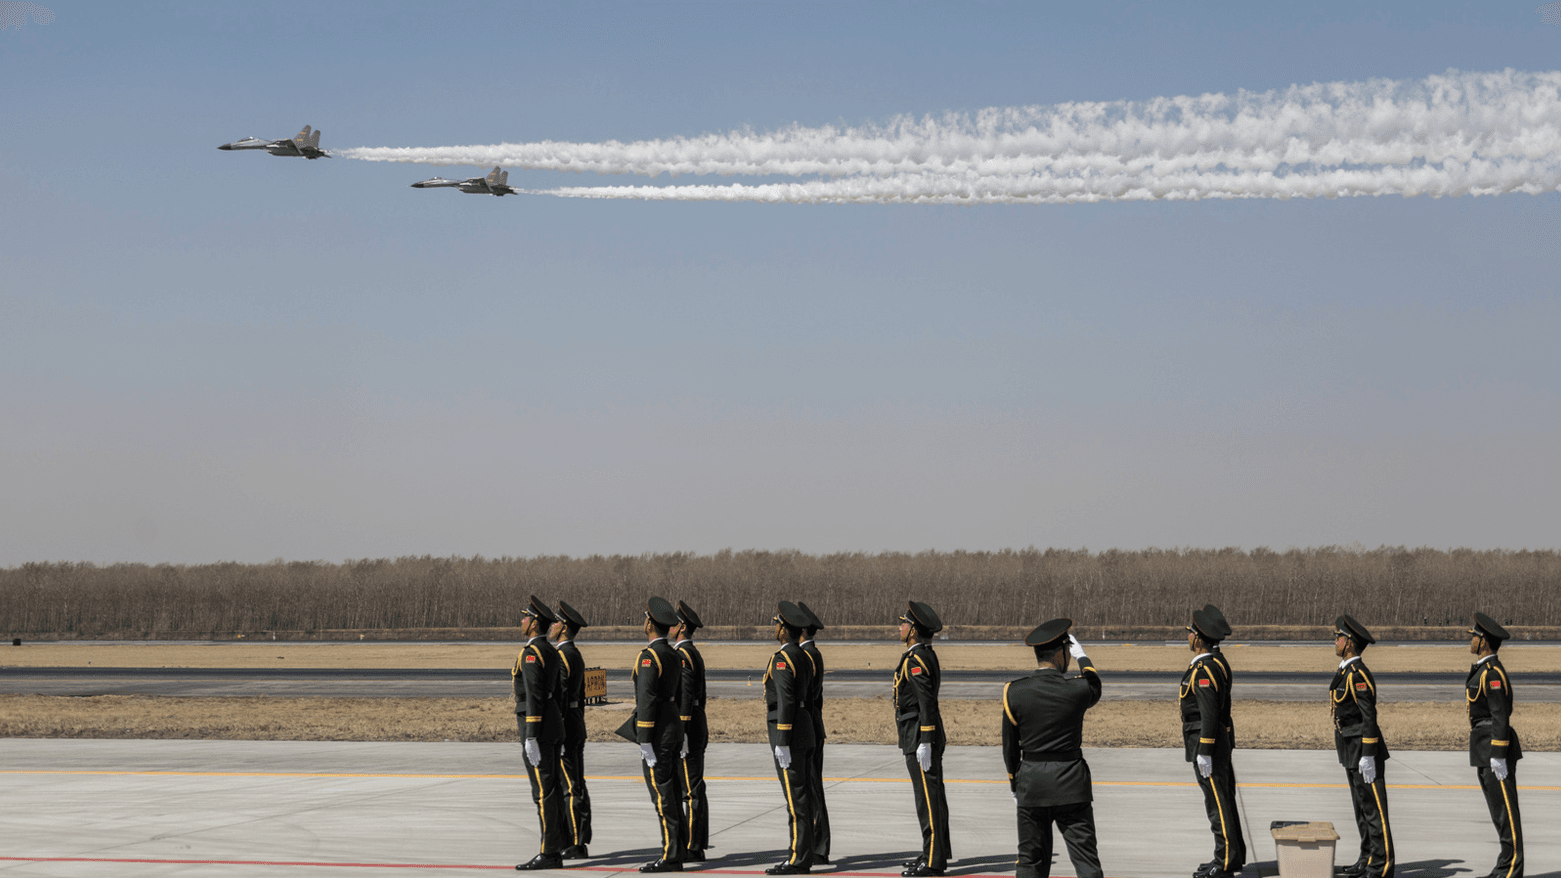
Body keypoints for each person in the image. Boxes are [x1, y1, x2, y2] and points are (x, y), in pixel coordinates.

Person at [1001, 618, 1104, 878]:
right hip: (1071, 785)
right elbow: (1095, 685)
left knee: (1030, 862)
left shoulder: (1014, 692)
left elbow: (1010, 747)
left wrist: (1015, 782)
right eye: (1068, 653)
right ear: (1061, 654)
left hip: (1032, 784)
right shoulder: (1078, 689)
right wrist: (1083, 657)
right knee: (1086, 861)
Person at [1181, 607, 1244, 878]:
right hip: (1218, 742)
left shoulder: (1205, 668)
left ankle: (1225, 858)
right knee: (1223, 799)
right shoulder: (1216, 662)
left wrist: (1204, 749)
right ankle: (1232, 853)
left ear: (1198, 638)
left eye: (1190, 633)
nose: (1188, 637)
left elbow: (1208, 712)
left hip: (1208, 743)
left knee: (1216, 803)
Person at [1330, 615, 1394, 878]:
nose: (1335, 641)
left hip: (1362, 748)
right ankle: (1368, 856)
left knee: (1374, 810)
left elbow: (1369, 717)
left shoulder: (1358, 675)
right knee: (1362, 808)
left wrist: (1368, 754)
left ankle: (1382, 864)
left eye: (1338, 637)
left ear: (1350, 643)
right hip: (1350, 747)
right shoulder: (1345, 671)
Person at [627, 596, 688, 873]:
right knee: (673, 791)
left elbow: (647, 700)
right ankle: (679, 848)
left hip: (659, 734)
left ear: (650, 623)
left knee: (663, 796)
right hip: (673, 728)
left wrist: (644, 739)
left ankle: (671, 854)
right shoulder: (674, 654)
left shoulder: (650, 657)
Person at [513, 596, 569, 871]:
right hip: (552, 723)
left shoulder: (532, 652)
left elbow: (535, 695)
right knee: (553, 789)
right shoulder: (550, 650)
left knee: (544, 791)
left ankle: (549, 852)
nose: (522, 621)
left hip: (538, 727)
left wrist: (531, 735)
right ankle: (559, 842)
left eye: (525, 617)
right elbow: (556, 693)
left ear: (535, 623)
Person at [764, 601, 819, 875]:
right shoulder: (804, 656)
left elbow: (785, 701)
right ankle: (803, 854)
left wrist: (782, 740)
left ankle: (798, 858)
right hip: (804, 729)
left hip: (790, 734)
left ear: (785, 629)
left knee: (796, 799)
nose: (775, 628)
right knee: (803, 797)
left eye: (778, 624)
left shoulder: (784, 658)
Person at [895, 601, 949, 878]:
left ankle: (933, 859)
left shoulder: (915, 660)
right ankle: (934, 849)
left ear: (914, 630)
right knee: (933, 798)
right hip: (920, 731)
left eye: (905, 623)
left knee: (926, 799)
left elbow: (926, 702)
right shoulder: (926, 654)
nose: (901, 627)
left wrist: (925, 740)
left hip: (919, 733)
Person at [1468, 612, 1524, 878]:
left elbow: (1500, 714)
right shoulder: (1482, 670)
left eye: (1475, 636)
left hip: (1493, 746)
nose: (1472, 640)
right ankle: (1504, 865)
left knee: (1506, 812)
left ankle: (1512, 868)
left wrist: (1499, 753)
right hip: (1484, 746)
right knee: (1497, 812)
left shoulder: (1492, 673)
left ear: (1485, 641)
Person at [552, 600, 594, 859]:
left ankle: (575, 842)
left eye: (556, 622)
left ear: (564, 627)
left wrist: (558, 730)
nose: (552, 626)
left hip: (567, 725)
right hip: (576, 721)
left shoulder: (562, 656)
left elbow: (562, 697)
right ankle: (578, 837)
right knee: (576, 781)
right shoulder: (575, 654)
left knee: (570, 785)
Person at [673, 601, 710, 861]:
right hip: (695, 721)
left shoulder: (684, 655)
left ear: (682, 627)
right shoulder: (691, 652)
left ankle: (693, 846)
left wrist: (683, 730)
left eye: (673, 622)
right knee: (692, 786)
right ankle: (694, 842)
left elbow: (686, 695)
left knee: (691, 789)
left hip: (688, 726)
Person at [796, 601, 831, 865]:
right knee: (811, 786)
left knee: (812, 787)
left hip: (809, 724)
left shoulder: (807, 655)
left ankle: (818, 845)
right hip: (813, 723)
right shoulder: (810, 653)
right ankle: (816, 843)